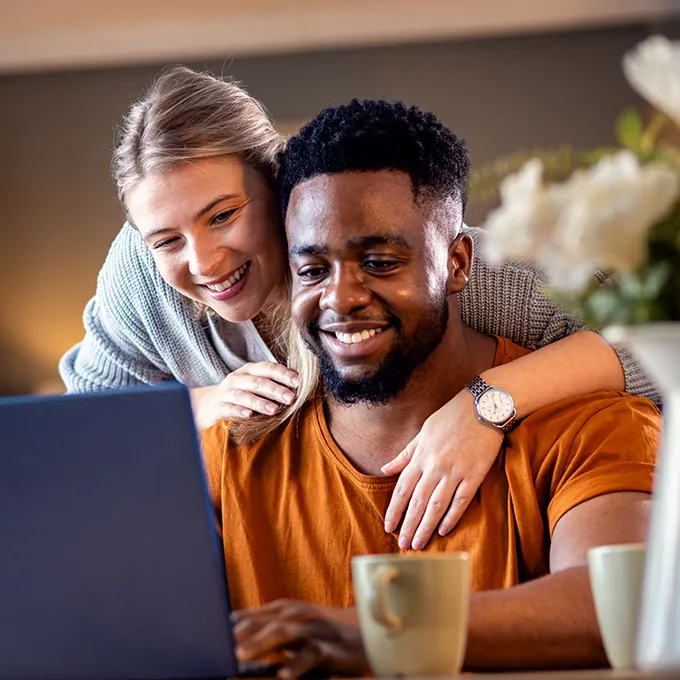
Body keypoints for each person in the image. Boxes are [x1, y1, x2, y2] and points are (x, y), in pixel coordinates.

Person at [60, 66, 658, 549]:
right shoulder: (143, 274)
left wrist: (485, 404)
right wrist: (197, 405)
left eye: (223, 215)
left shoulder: (438, 270)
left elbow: (656, 341)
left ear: (282, 191)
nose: (205, 260)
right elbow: (80, 426)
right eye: (166, 239)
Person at [200, 99, 660, 674]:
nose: (341, 298)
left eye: (380, 261)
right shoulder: (229, 458)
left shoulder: (590, 425)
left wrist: (370, 632)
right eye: (313, 271)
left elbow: (614, 608)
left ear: (458, 262)